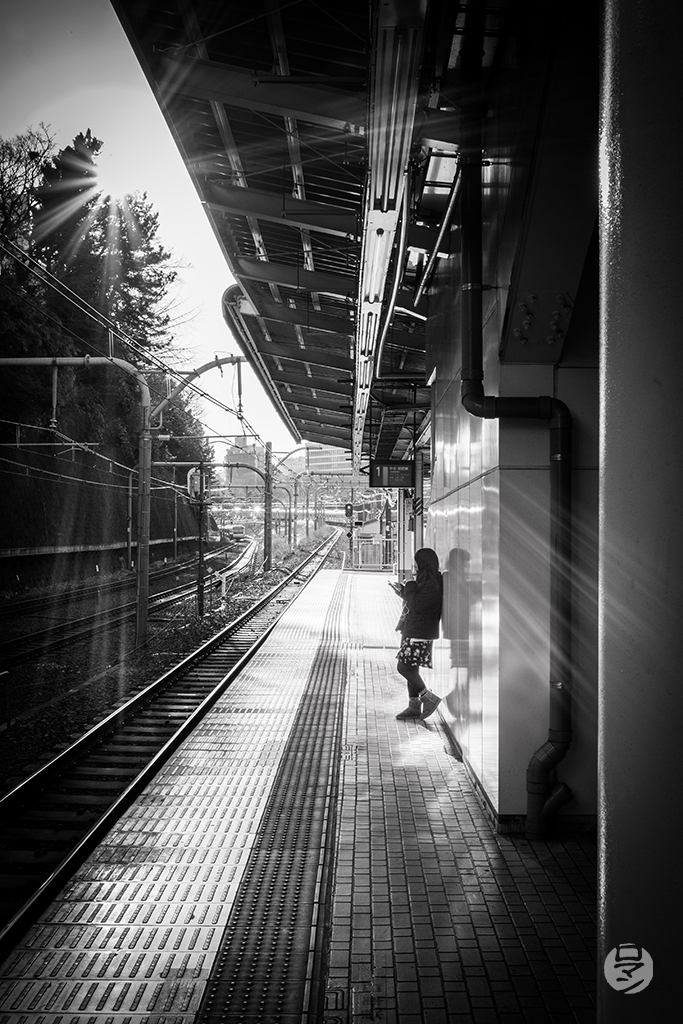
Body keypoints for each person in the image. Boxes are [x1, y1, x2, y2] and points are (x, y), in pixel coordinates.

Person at [391, 547, 443, 720]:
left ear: (423, 564)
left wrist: (410, 584)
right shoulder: (428, 582)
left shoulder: (432, 584)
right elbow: (416, 602)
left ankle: (428, 697)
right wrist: (403, 592)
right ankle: (413, 706)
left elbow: (417, 605)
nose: (414, 567)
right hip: (414, 629)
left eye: (416, 563)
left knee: (403, 667)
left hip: (419, 632)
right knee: (411, 668)